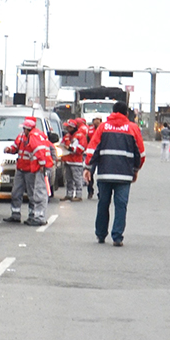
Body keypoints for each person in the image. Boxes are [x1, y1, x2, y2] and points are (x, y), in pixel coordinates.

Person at [85, 101, 146, 246]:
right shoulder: (132, 128)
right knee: (121, 205)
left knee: (103, 204)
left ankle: (100, 234)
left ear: (112, 112)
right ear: (126, 113)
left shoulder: (103, 128)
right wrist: (136, 170)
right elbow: (141, 154)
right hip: (124, 175)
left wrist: (87, 168)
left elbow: (92, 149)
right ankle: (117, 237)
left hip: (104, 174)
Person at [2, 116, 54, 226]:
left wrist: (42, 164)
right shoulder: (26, 136)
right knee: (17, 192)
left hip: (32, 169)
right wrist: (9, 150)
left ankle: (36, 216)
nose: (23, 130)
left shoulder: (34, 137)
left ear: (27, 128)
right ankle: (17, 214)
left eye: (24, 128)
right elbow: (16, 147)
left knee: (35, 193)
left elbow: (39, 150)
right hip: (22, 168)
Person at [60, 117, 89, 202]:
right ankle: (69, 194)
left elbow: (81, 148)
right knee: (68, 179)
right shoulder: (67, 136)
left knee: (77, 179)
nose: (67, 129)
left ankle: (78, 195)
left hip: (76, 162)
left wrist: (70, 148)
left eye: (69, 127)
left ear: (73, 127)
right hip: (67, 161)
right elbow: (62, 145)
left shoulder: (80, 135)